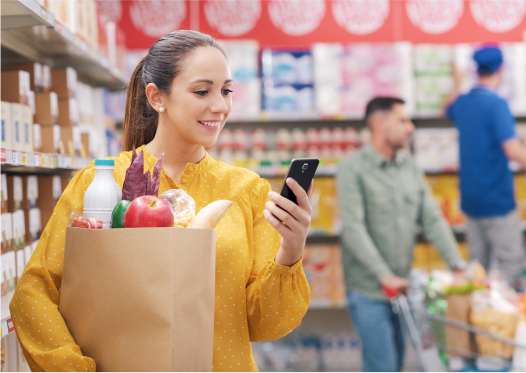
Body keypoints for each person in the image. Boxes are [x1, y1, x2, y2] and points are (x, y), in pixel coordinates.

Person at [10, 31, 312, 372]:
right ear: (156, 97)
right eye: (202, 91)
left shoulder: (246, 190)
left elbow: (264, 323)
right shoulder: (103, 181)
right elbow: (33, 294)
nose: (220, 105)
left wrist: (291, 251)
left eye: (226, 90)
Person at [337, 97, 465, 373]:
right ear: (381, 124)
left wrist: (458, 265)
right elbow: (354, 229)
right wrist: (384, 275)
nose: (410, 128)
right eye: (403, 120)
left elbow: (432, 219)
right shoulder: (352, 169)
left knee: (397, 361)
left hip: (403, 288)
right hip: (369, 288)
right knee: (383, 365)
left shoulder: (409, 166)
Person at [445, 46, 526, 284]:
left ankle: (479, 314)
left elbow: (446, 108)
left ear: (475, 71)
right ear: (502, 69)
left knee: (478, 267)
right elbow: (513, 149)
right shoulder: (496, 104)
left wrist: (457, 81)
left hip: (470, 199)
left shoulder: (464, 102)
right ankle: (497, 312)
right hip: (496, 200)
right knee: (511, 262)